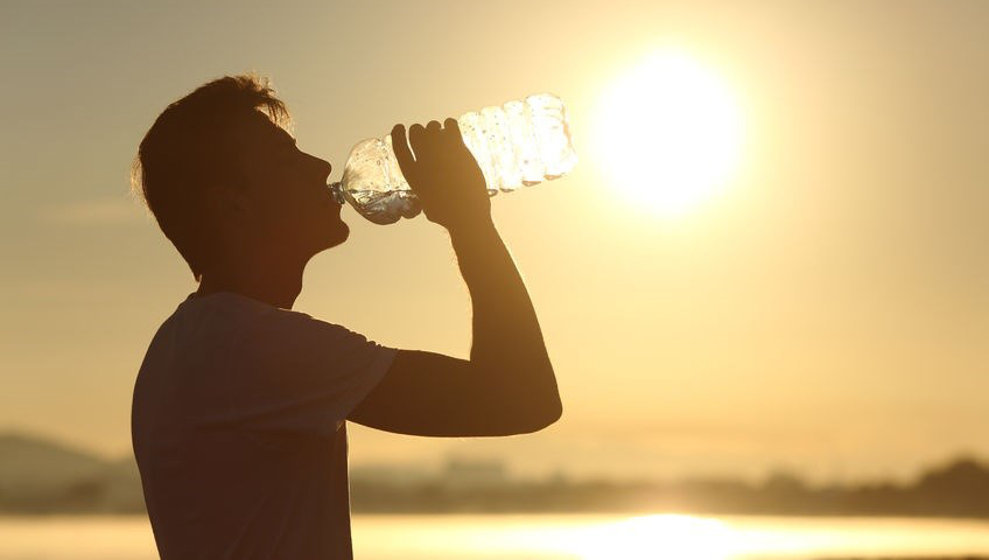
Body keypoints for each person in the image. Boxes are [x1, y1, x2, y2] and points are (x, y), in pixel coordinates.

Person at [129, 74, 562, 559]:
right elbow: (523, 399)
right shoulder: (249, 345)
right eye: (287, 160)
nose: (320, 166)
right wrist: (469, 220)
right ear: (234, 204)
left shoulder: (188, 344)